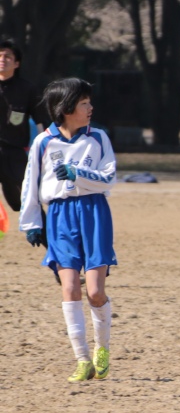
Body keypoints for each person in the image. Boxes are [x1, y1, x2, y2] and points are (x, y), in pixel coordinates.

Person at [18, 78, 117, 383]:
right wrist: (32, 223)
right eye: (84, 103)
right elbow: (31, 183)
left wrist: (78, 174)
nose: (90, 108)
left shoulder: (98, 137)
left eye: (89, 102)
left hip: (94, 213)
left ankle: (102, 348)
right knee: (70, 287)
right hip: (60, 217)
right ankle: (82, 359)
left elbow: (109, 178)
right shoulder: (43, 141)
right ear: (66, 108)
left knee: (95, 291)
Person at [0, 40, 42, 218]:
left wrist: (44, 147)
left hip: (14, 152)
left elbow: (40, 120)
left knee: (25, 199)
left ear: (16, 63)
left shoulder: (26, 89)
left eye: (7, 56)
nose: (2, 59)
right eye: (0, 56)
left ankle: (45, 233)